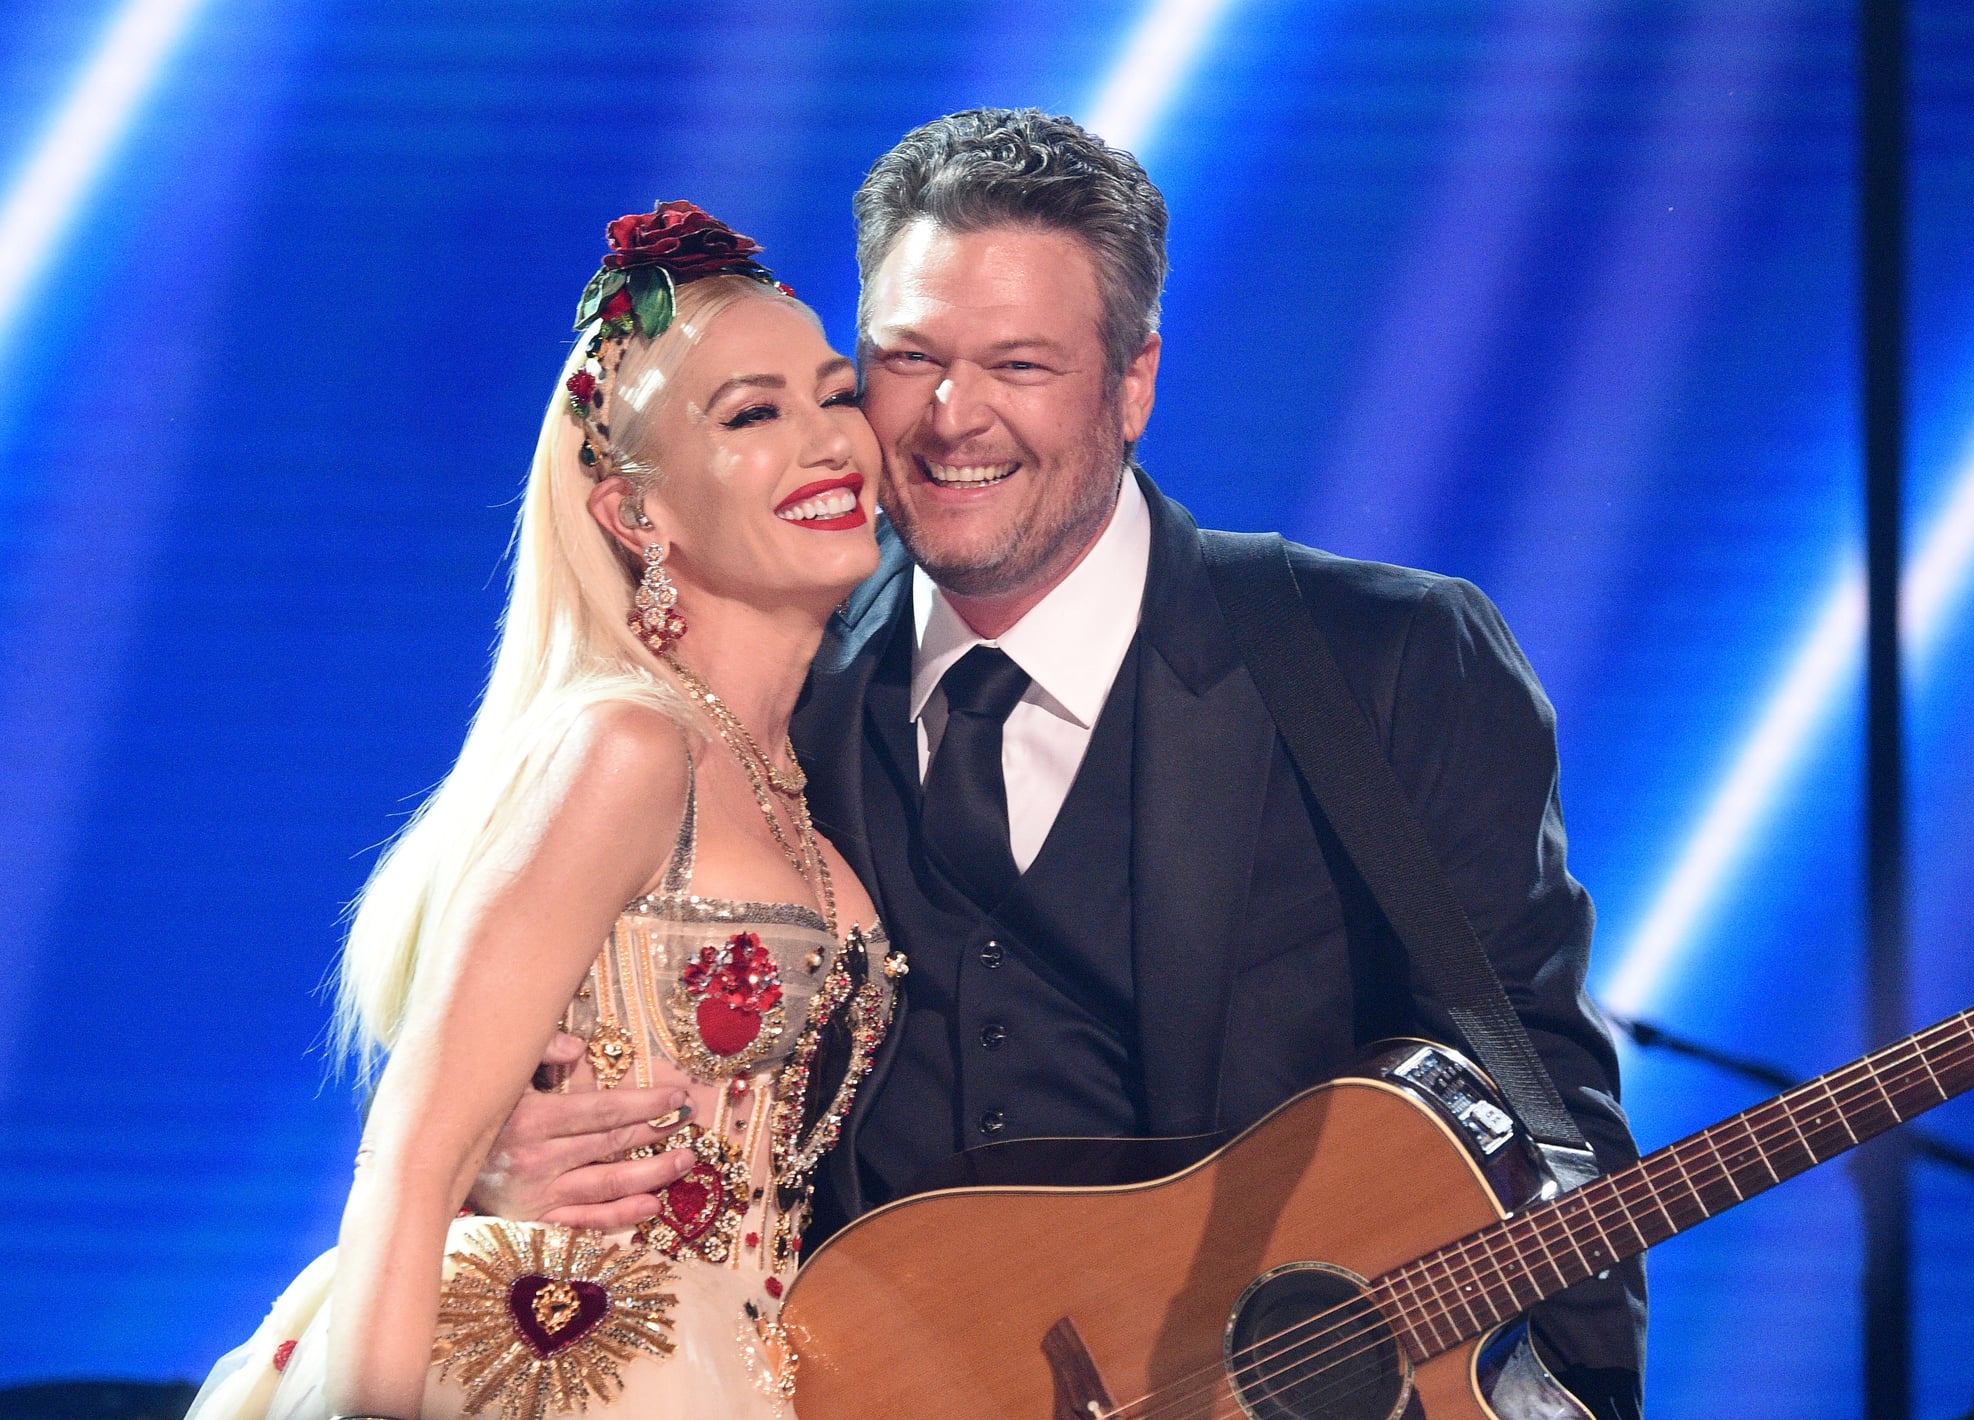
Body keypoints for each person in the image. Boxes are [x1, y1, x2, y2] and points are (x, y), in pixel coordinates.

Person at [481, 109, 1648, 1418]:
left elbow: (1547, 1119)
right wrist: (513, 1175)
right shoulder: (753, 695)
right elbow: (579, 1075)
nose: (948, 418)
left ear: (1134, 381)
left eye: (1018, 364)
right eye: (907, 359)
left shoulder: (1382, 664)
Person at [189, 202, 902, 1420]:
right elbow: (412, 1155)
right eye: (750, 414)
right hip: (548, 1357)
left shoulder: (806, 788)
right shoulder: (628, 747)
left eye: (835, 395)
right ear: (638, 515)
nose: (827, 441)